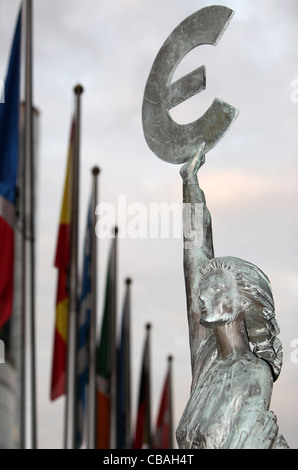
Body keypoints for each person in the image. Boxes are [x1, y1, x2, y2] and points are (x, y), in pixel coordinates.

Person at [175, 144, 289, 449]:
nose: (202, 296)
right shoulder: (208, 361)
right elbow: (195, 256)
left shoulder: (254, 372)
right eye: (204, 288)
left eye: (216, 289)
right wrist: (190, 185)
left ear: (241, 302)